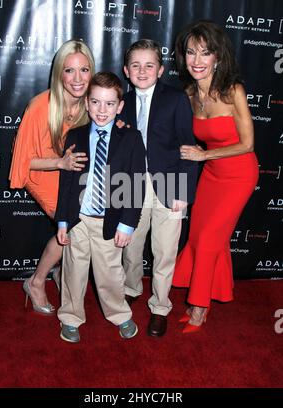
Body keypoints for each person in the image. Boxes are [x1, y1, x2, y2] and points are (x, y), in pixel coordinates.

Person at [172, 20, 259, 333]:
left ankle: (199, 307)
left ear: (217, 57)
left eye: (205, 53)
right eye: (191, 52)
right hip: (211, 175)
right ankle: (210, 293)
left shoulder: (232, 91)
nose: (197, 60)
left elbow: (247, 144)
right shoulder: (189, 94)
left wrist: (204, 154)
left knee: (209, 239)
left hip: (239, 175)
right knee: (200, 237)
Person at [55, 72, 146, 342]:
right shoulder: (76, 135)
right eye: (95, 102)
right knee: (73, 271)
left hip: (110, 220)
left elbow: (136, 185)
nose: (102, 110)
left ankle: (119, 314)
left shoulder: (130, 139)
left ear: (120, 106)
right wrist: (62, 221)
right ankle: (70, 316)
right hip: (78, 219)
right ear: (86, 103)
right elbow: (67, 183)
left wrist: (127, 224)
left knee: (110, 273)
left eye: (109, 104)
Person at [119, 39, 198, 337]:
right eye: (136, 65)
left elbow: (188, 146)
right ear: (127, 70)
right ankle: (131, 287)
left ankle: (160, 306)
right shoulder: (120, 103)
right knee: (130, 245)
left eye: (149, 65)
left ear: (160, 69)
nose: (142, 70)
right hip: (130, 183)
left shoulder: (176, 99)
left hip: (170, 183)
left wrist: (183, 191)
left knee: (164, 251)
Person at [9, 40, 95, 314]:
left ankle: (59, 272)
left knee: (86, 220)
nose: (78, 79)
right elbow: (22, 162)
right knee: (70, 222)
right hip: (40, 171)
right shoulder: (39, 106)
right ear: (59, 73)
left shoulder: (90, 103)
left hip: (69, 171)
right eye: (70, 71)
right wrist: (60, 162)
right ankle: (35, 282)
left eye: (84, 70)